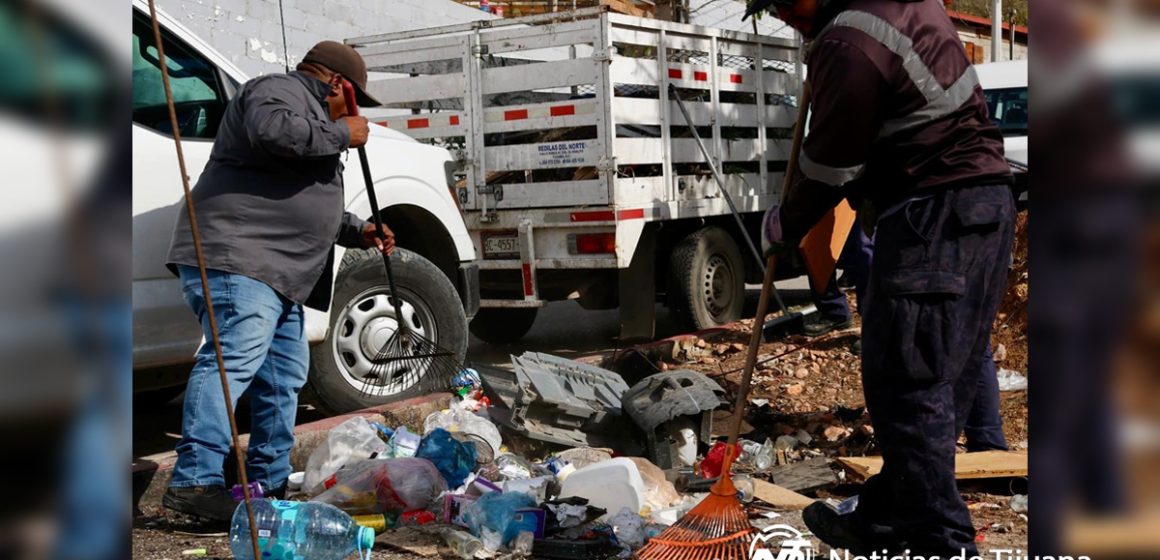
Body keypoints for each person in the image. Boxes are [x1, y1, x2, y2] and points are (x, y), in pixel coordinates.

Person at [749, 0, 1015, 556]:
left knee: (908, 388)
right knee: (936, 386)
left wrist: (787, 221)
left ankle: (940, 540)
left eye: (782, 1)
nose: (783, 16)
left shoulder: (849, 40)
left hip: (932, 215)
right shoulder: (899, 6)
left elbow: (829, 165)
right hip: (976, 210)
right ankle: (888, 519)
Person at [162, 41, 395, 522]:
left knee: (284, 377)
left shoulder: (311, 117)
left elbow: (298, 196)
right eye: (353, 102)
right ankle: (194, 482)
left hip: (280, 272)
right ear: (338, 85)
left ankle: (266, 484)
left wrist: (357, 229)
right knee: (232, 363)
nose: (354, 115)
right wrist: (340, 132)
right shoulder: (277, 90)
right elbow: (273, 132)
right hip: (241, 257)